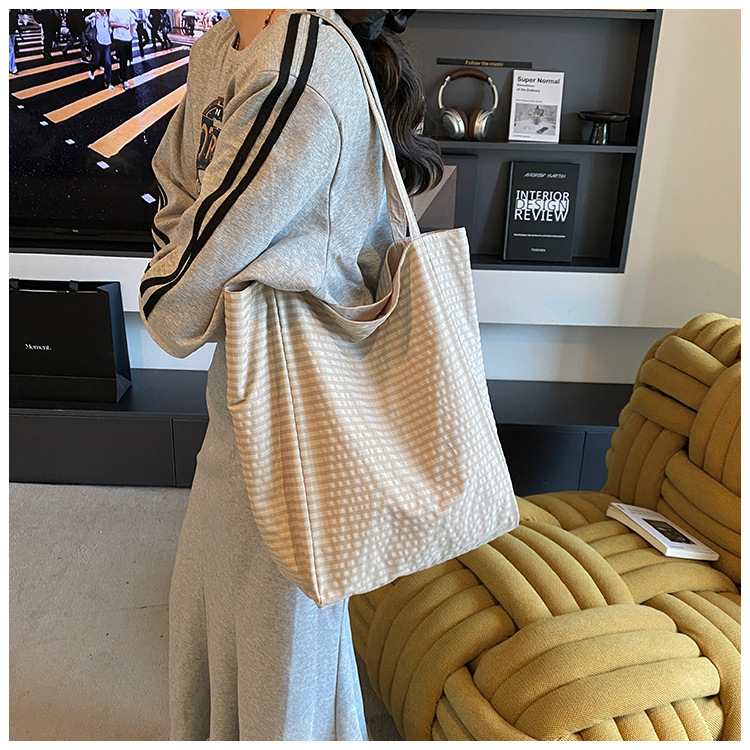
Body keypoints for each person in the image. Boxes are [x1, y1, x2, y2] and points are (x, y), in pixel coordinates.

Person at [138, 8, 441, 742]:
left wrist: (167, 284)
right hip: (249, 385)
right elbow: (176, 191)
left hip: (299, 406)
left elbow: (181, 299)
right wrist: (187, 262)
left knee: (277, 642)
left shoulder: (300, 67)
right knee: (233, 614)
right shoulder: (221, 46)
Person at [86, 9, 113, 90]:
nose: (103, 9)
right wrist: (92, 17)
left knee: (108, 63)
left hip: (107, 41)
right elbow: (86, 20)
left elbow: (110, 27)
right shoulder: (95, 15)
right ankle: (91, 70)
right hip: (98, 41)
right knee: (96, 61)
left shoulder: (108, 16)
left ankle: (108, 82)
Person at [109, 8, 135, 89]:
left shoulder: (128, 11)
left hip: (127, 38)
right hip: (118, 38)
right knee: (123, 58)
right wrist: (122, 25)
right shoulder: (113, 10)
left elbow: (132, 24)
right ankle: (124, 79)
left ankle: (121, 75)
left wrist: (131, 35)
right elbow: (111, 23)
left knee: (126, 58)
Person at [9, 9, 19, 74]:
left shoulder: (14, 10)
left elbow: (15, 19)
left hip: (12, 30)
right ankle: (12, 68)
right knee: (11, 49)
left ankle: (11, 67)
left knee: (11, 49)